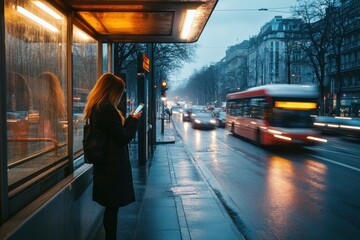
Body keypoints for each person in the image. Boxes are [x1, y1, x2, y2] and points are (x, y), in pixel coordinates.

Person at [83, 73, 142, 240]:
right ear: (112, 91)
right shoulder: (106, 109)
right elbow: (123, 137)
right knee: (112, 207)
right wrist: (134, 120)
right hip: (111, 167)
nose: (120, 96)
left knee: (111, 207)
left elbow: (114, 132)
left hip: (107, 166)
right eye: (120, 92)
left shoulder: (98, 107)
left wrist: (129, 118)